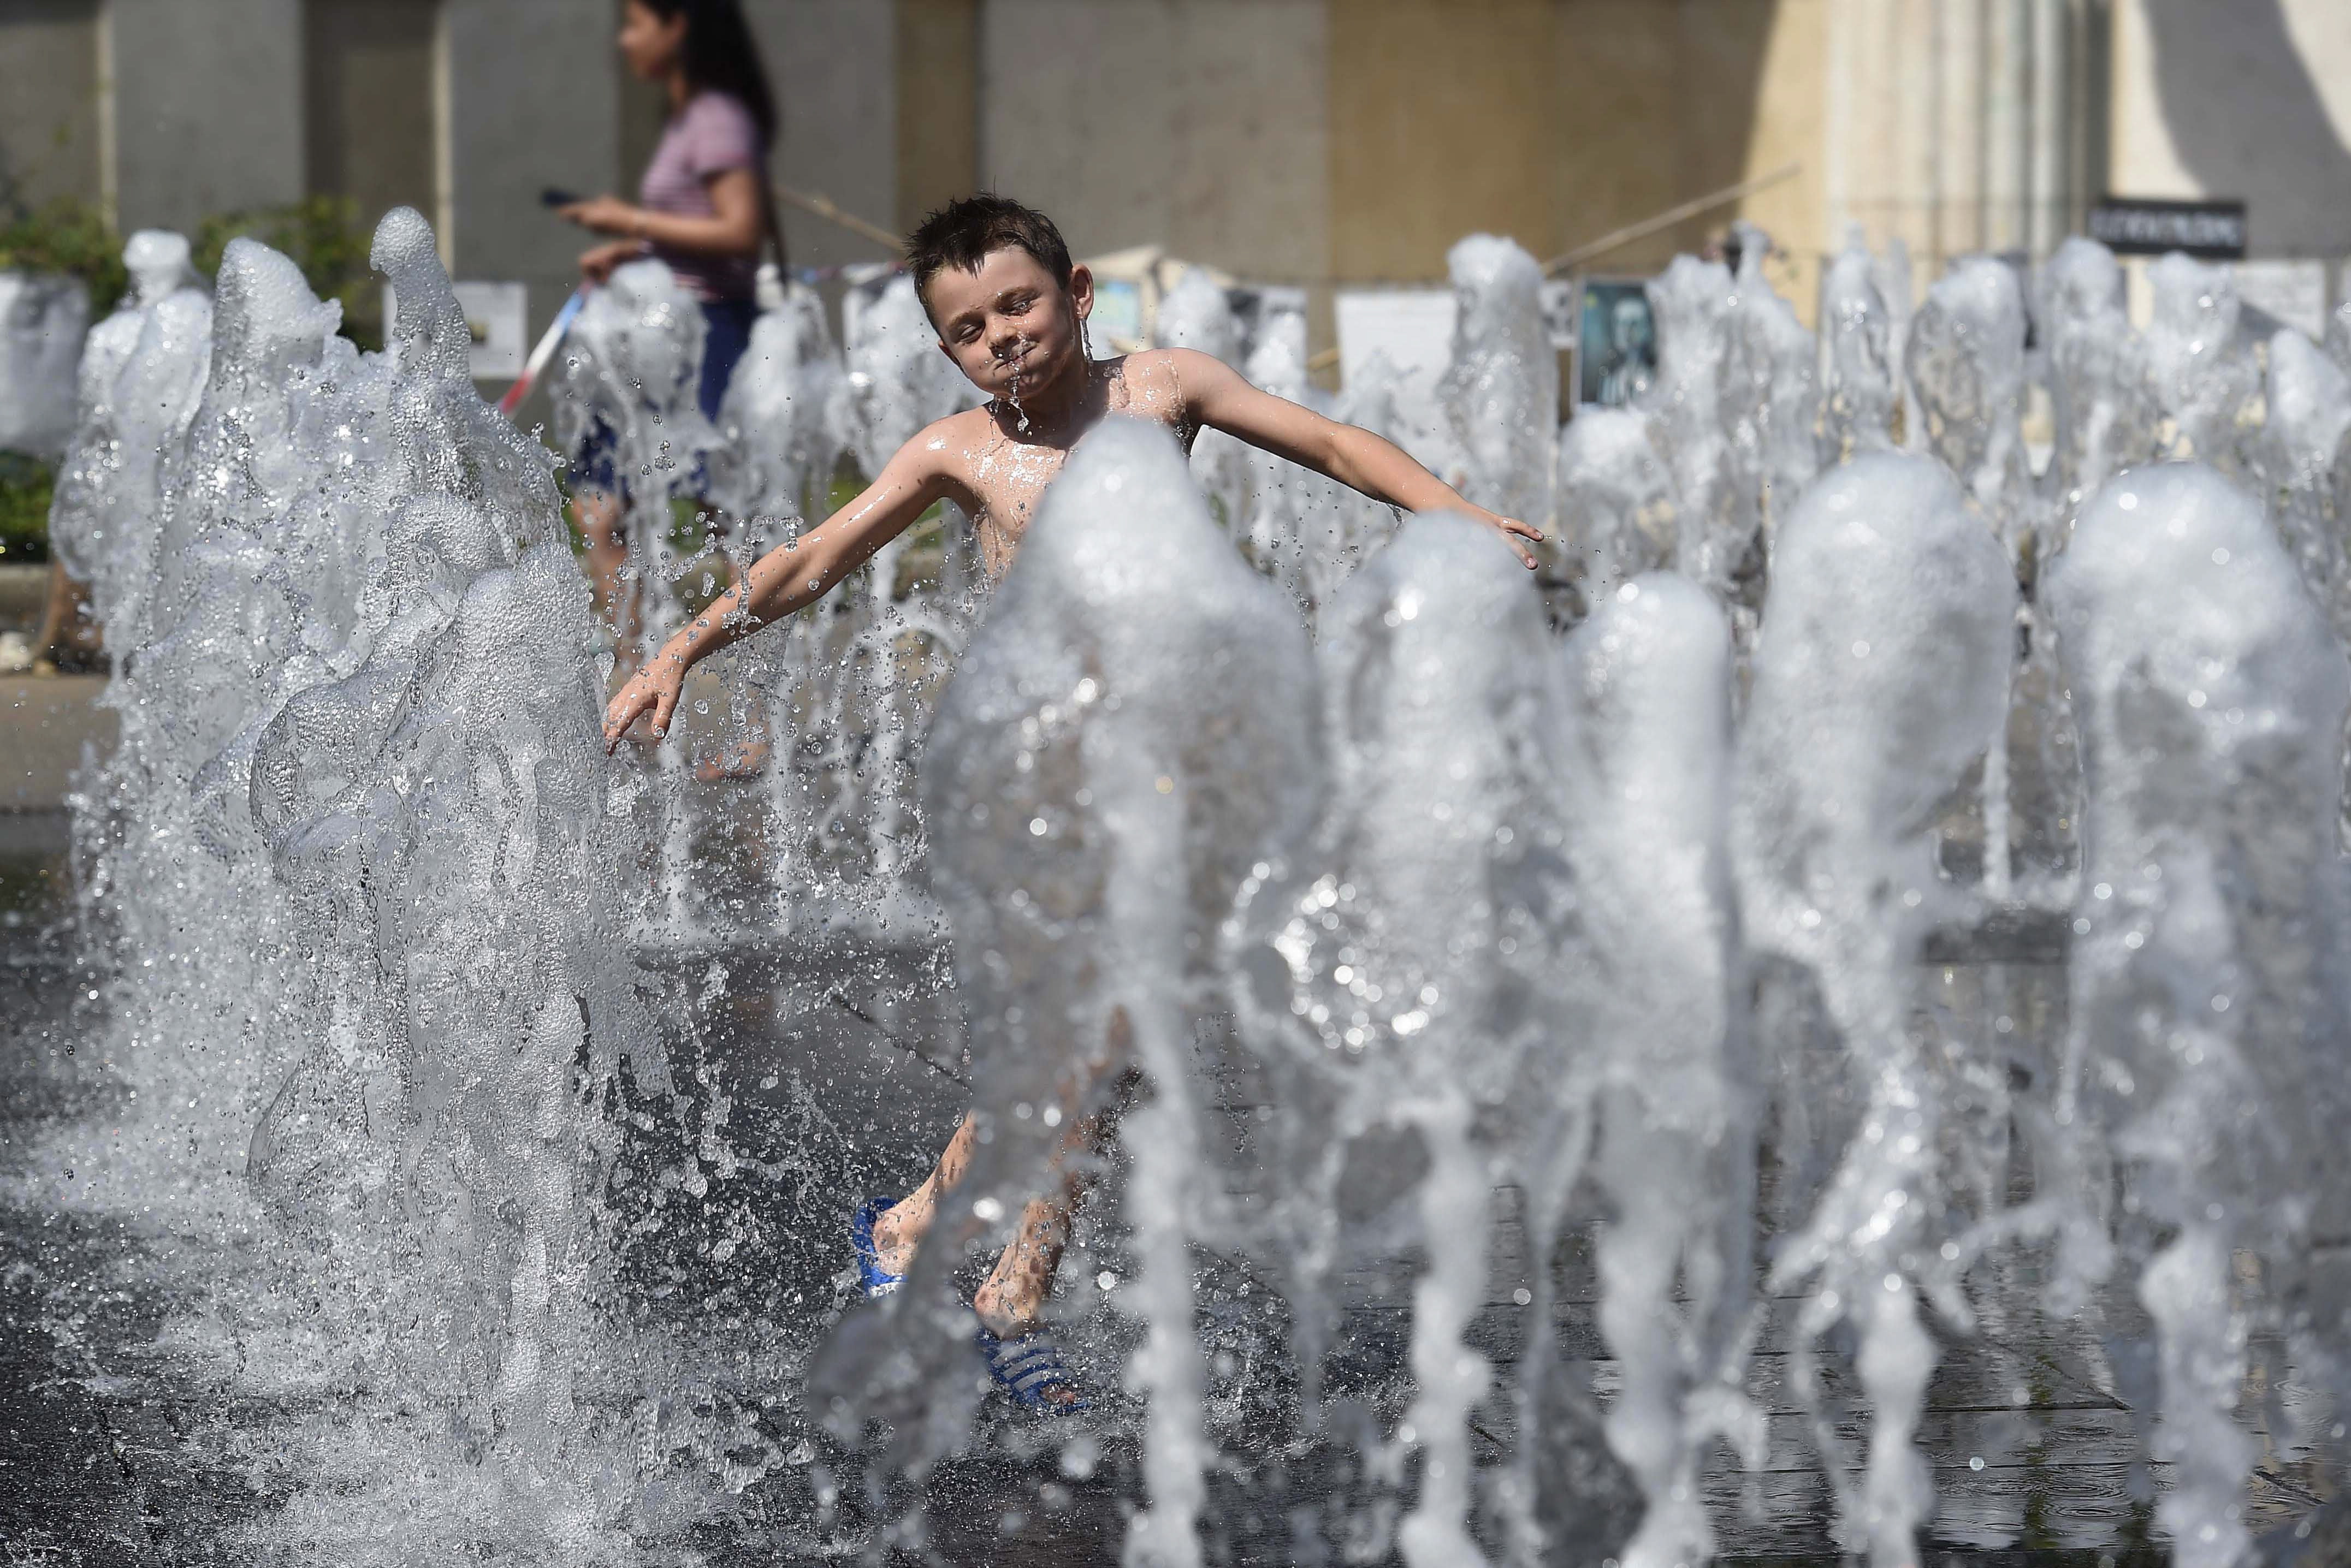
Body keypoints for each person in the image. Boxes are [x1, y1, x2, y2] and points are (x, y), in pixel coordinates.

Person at [601, 194, 1542, 1409]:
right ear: (945, 350)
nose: (1001, 334)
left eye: (1019, 304)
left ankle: (936, 1244)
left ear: (1078, 293)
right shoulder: (955, 453)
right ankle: (1001, 1283)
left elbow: (1334, 448)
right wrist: (679, 647)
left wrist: (1457, 515)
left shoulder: (1163, 391)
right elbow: (812, 560)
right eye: (968, 326)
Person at [558, 0, 781, 631]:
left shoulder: (716, 119)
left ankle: (756, 715)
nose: (625, 41)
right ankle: (638, 684)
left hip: (707, 333)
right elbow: (700, 231)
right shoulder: (689, 119)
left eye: (635, 23)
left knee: (728, 515)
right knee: (600, 509)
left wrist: (627, 220)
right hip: (655, 334)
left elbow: (740, 232)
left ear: (677, 25)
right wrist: (634, 251)